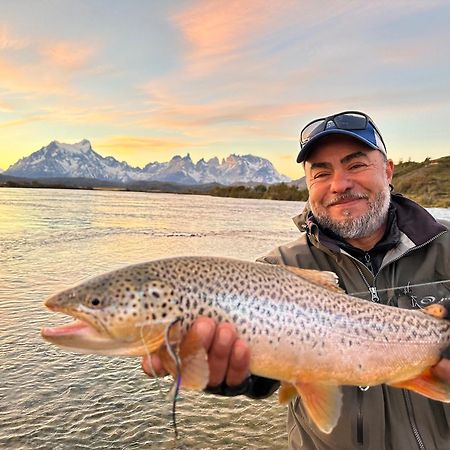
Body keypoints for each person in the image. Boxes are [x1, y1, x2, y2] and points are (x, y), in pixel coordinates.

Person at [142, 111, 450, 449]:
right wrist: (244, 373)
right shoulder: (275, 270)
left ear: (388, 171)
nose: (339, 184)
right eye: (321, 172)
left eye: (356, 165)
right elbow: (263, 371)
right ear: (308, 185)